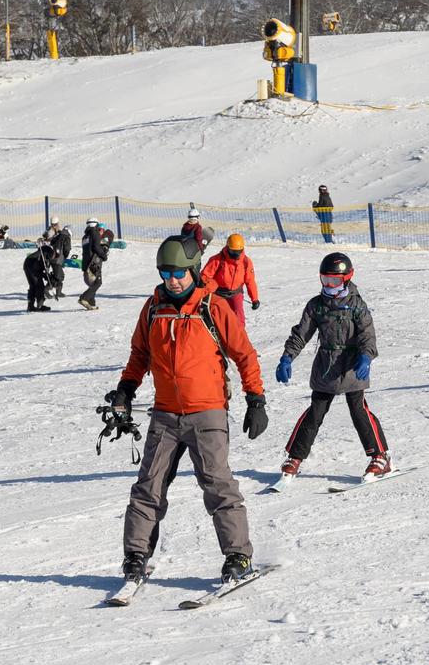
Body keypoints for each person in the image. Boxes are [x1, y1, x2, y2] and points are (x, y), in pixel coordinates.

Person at [105, 235, 268, 584]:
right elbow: (139, 356)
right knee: (148, 486)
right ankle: (135, 556)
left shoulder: (211, 305)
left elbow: (244, 354)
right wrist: (125, 390)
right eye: (166, 273)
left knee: (217, 484)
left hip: (207, 411)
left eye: (178, 272)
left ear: (193, 270)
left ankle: (238, 556)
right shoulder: (153, 308)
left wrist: (255, 399)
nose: (172, 280)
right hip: (165, 413)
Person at [275, 252, 392, 482]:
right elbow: (301, 334)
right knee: (316, 411)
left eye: (335, 281)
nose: (329, 285)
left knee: (358, 409)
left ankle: (380, 455)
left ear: (347, 278)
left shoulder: (357, 305)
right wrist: (287, 357)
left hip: (351, 365)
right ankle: (294, 457)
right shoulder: (316, 305)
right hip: (326, 366)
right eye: (325, 280)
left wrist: (366, 357)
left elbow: (368, 337)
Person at [201, 233, 260, 328]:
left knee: (239, 318)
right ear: (228, 248)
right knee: (217, 317)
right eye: (233, 252)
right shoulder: (217, 260)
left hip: (235, 294)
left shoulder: (246, 262)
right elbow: (205, 277)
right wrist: (205, 291)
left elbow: (250, 281)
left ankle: (240, 337)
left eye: (238, 251)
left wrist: (255, 299)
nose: (236, 255)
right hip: (218, 294)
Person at [80, 219, 113, 311]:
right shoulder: (95, 233)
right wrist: (103, 255)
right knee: (98, 282)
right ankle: (84, 298)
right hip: (93, 263)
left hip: (86, 263)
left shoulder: (85, 237)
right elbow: (96, 247)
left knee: (93, 283)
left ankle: (91, 302)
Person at [43, 216, 72, 299]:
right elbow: (66, 249)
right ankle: (46, 290)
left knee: (59, 275)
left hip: (52, 257)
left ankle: (58, 292)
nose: (55, 226)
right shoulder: (59, 234)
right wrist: (64, 257)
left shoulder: (56, 233)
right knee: (58, 276)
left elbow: (49, 241)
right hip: (55, 258)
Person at [23, 241, 56, 312]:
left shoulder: (43, 252)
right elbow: (42, 267)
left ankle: (30, 306)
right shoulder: (48, 254)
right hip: (33, 266)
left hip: (27, 263)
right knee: (39, 286)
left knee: (33, 286)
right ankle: (40, 305)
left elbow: (40, 270)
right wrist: (47, 277)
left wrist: (46, 277)